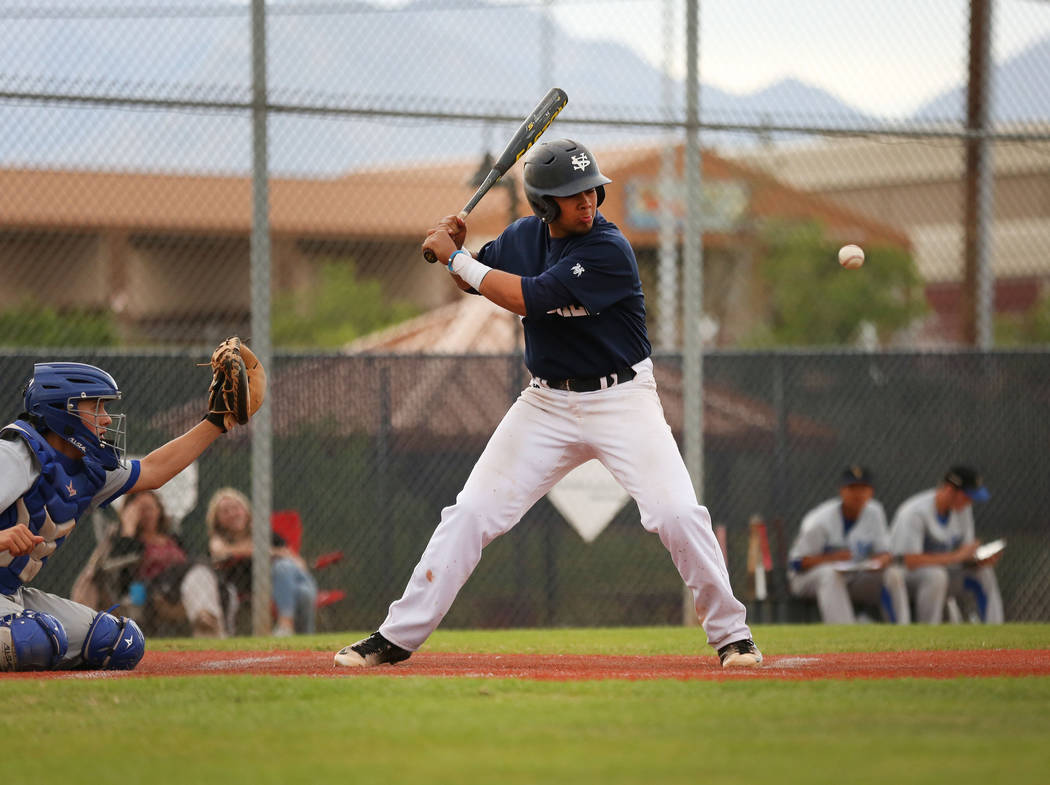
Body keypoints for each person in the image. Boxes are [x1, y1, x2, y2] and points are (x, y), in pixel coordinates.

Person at [335, 138, 761, 669]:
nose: (588, 202)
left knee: (677, 512)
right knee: (470, 513)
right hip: (546, 406)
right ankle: (395, 637)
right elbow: (479, 284)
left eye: (592, 191)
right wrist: (456, 251)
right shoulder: (521, 237)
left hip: (622, 399)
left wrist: (457, 259)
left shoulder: (608, 249)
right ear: (543, 205)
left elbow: (527, 297)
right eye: (573, 195)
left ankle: (733, 636)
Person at [0, 357, 244, 671]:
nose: (106, 419)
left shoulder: (86, 470)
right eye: (96, 407)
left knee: (119, 641)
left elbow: (155, 470)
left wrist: (218, 420)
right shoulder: (14, 456)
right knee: (33, 640)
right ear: (63, 411)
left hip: (10, 593)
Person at [75, 490, 226, 638]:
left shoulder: (172, 537)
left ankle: (205, 620)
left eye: (150, 508)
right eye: (141, 509)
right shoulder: (128, 540)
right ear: (131, 512)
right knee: (200, 566)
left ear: (159, 510)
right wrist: (128, 528)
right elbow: (117, 568)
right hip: (154, 588)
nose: (147, 514)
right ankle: (207, 623)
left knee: (198, 574)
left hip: (182, 585)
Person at [787, 465, 909, 624]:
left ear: (870, 492)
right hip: (806, 580)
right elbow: (796, 563)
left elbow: (884, 552)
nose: (858, 494)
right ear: (841, 491)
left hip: (853, 577)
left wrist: (883, 560)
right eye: (852, 488)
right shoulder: (820, 520)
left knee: (892, 574)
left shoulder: (875, 512)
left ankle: (902, 628)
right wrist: (832, 558)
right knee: (830, 574)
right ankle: (846, 630)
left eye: (863, 488)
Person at [889, 465, 1004, 624]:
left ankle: (995, 632)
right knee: (935, 575)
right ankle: (928, 634)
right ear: (950, 490)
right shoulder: (915, 512)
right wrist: (956, 557)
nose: (970, 501)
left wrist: (977, 560)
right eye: (967, 496)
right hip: (906, 579)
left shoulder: (963, 510)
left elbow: (964, 554)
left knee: (983, 572)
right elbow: (908, 560)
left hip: (945, 573)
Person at [205, 487, 318, 636]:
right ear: (217, 519)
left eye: (236, 508)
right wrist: (268, 552)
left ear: (246, 511)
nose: (232, 513)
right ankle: (304, 644)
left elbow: (298, 563)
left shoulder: (264, 534)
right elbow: (220, 551)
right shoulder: (219, 539)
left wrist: (278, 558)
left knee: (283, 567)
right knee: (303, 593)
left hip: (286, 581)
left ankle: (285, 624)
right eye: (225, 511)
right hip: (259, 590)